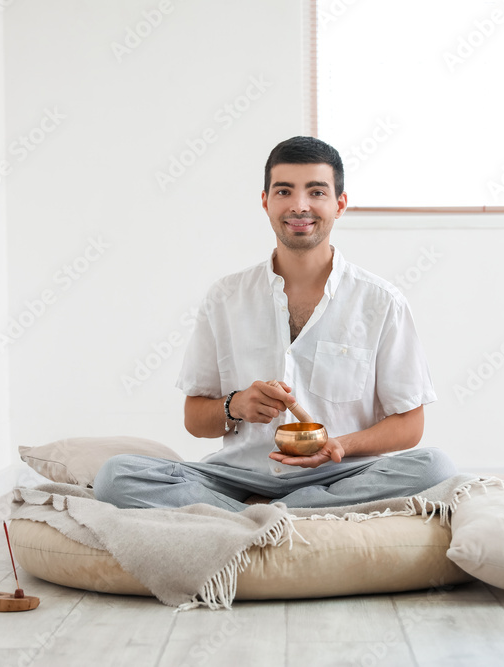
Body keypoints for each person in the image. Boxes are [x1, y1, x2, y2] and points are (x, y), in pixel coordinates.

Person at [95, 136, 457, 511]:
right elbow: (195, 420)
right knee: (115, 476)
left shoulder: (382, 302)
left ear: (340, 204)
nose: (300, 205)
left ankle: (263, 511)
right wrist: (235, 405)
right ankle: (294, 511)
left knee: (436, 469)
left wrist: (340, 445)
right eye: (285, 191)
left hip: (340, 473)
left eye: (316, 192)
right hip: (240, 476)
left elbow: (411, 425)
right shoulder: (225, 297)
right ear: (266, 201)